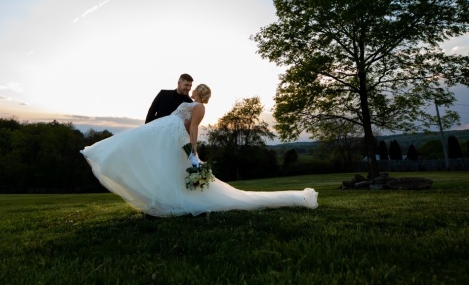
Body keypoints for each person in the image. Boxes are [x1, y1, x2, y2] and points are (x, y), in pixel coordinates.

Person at [81, 84, 318, 217]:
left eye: (196, 89)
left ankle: (166, 201)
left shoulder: (200, 106)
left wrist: (193, 149)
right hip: (165, 132)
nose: (192, 90)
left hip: (174, 136)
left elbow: (193, 127)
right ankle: (156, 199)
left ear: (200, 93)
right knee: (142, 151)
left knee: (171, 167)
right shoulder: (191, 103)